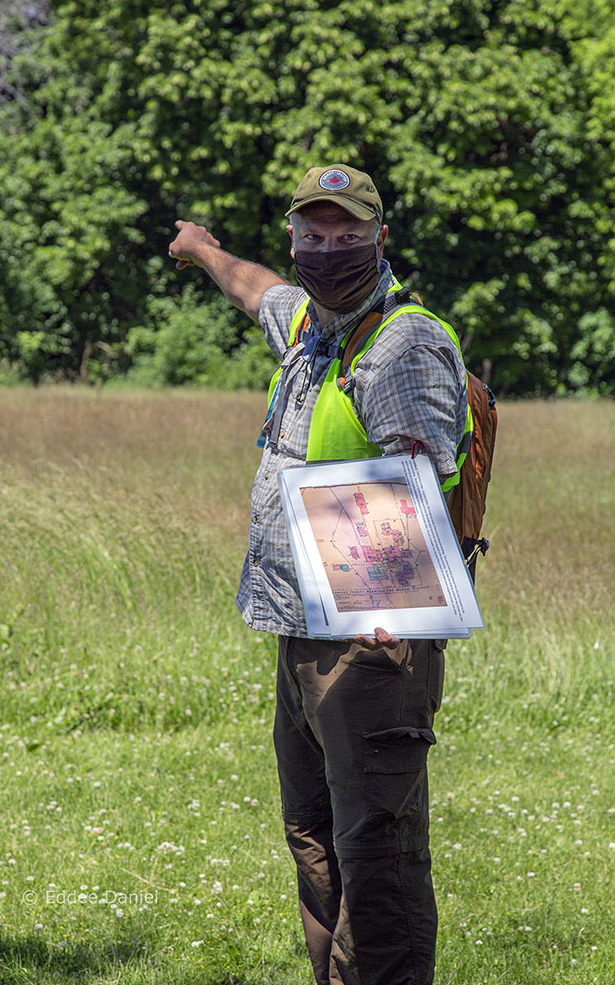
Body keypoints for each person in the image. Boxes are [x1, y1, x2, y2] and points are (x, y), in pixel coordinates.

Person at [168, 164, 468, 985]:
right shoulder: (309, 324)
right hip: (299, 633)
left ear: (379, 238)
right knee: (315, 840)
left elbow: (415, 474)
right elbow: (256, 288)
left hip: (371, 642)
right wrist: (202, 251)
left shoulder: (404, 342)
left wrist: (390, 611)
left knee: (376, 854)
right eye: (314, 234)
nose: (328, 251)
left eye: (348, 236)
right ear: (295, 236)